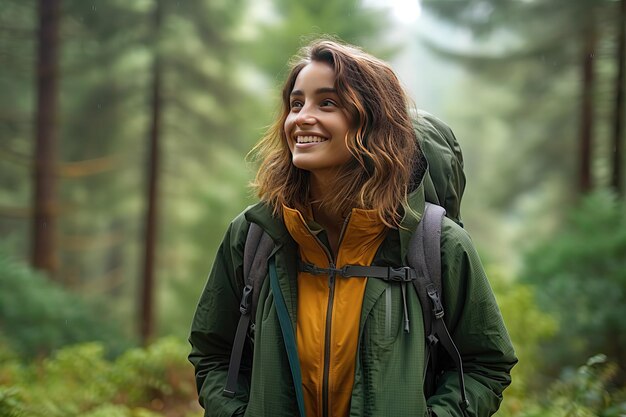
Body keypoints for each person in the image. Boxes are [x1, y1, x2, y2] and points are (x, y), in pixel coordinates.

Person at [188, 38, 517, 417]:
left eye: (326, 102)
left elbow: (485, 365)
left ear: (372, 121)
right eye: (296, 103)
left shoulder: (436, 244)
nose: (301, 117)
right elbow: (213, 353)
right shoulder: (256, 236)